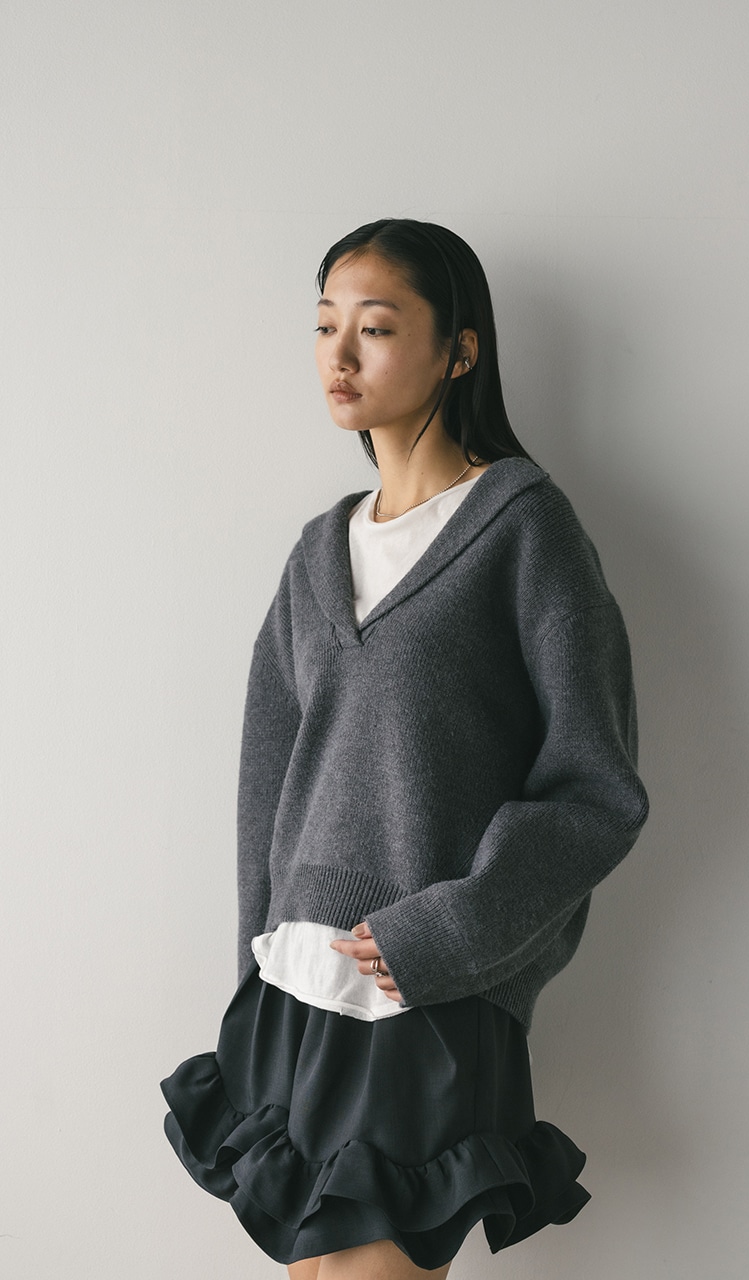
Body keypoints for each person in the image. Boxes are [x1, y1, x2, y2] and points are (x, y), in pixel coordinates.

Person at [161, 218, 649, 1279]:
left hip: (423, 989)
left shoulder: (523, 528)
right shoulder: (317, 551)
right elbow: (266, 782)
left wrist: (453, 928)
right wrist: (253, 962)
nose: (339, 355)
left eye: (375, 328)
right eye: (324, 325)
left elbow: (596, 786)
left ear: (458, 350)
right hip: (297, 992)